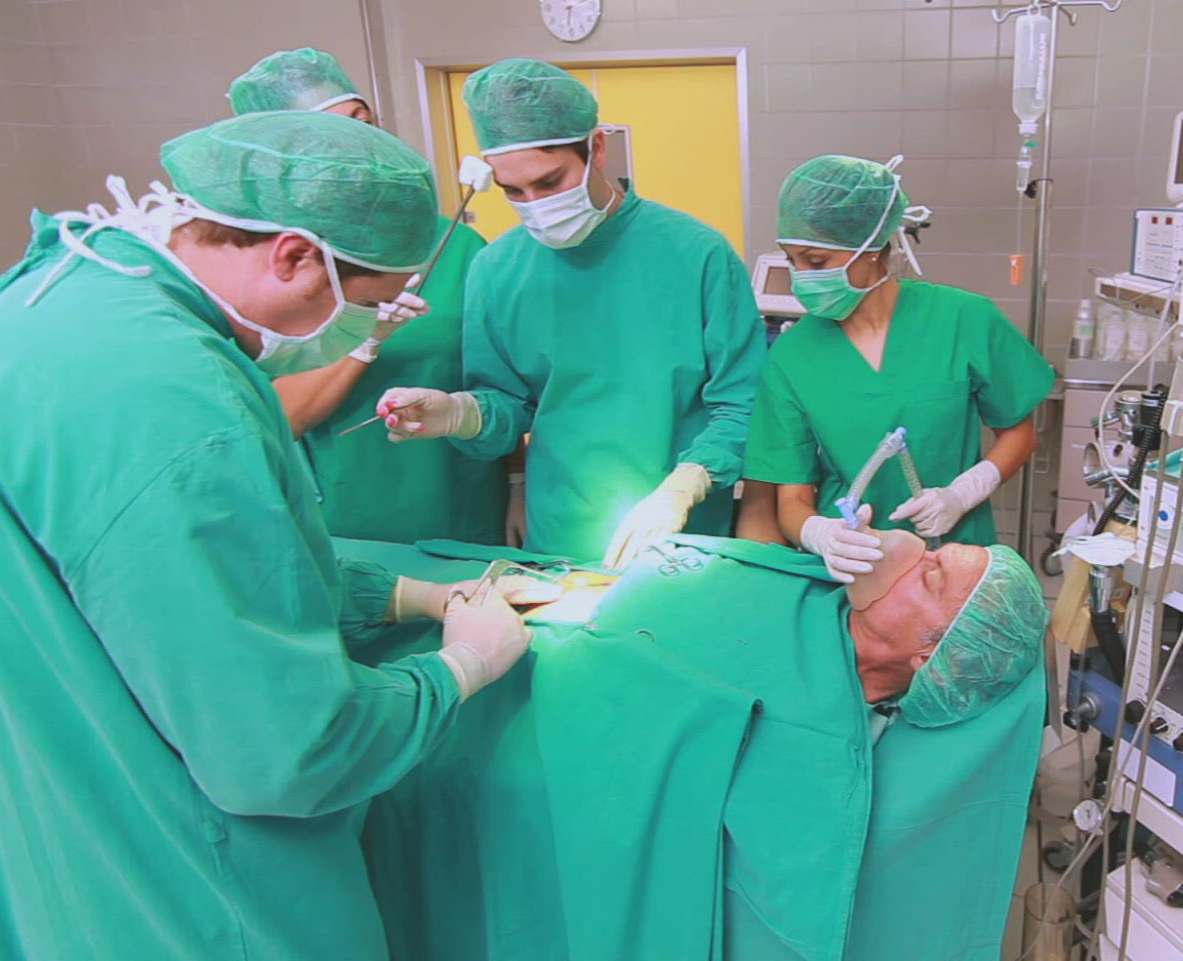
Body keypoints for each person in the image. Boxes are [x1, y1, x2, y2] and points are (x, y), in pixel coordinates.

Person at [0, 111, 531, 959]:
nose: (366, 325)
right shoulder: (176, 399)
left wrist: (404, 594)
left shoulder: (53, 296)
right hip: (174, 889)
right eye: (365, 303)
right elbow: (288, 749)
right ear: (294, 256)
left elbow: (145, 576)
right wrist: (456, 671)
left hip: (22, 830)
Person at [345, 529, 1049, 959]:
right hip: (498, 611)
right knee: (327, 592)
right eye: (931, 551)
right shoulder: (806, 590)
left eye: (931, 574)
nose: (908, 553)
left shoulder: (826, 736)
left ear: (933, 653)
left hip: (488, 716)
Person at [378, 58, 766, 569]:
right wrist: (458, 413)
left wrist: (685, 485)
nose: (534, 204)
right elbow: (508, 402)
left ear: (596, 149)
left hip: (681, 535)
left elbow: (742, 401)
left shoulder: (696, 253)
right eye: (513, 191)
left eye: (550, 181)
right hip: (560, 529)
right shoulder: (498, 267)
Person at [227, 47, 510, 545]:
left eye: (362, 121)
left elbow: (504, 383)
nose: (358, 144)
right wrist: (362, 340)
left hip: (465, 506)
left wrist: (519, 482)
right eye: (328, 136)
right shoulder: (276, 263)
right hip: (343, 519)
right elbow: (277, 418)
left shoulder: (456, 246)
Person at [746, 154, 1057, 581]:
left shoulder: (962, 318)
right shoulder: (791, 355)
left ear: (872, 248)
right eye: (791, 260)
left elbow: (1020, 434)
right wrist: (821, 534)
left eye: (815, 261)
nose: (801, 276)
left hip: (952, 562)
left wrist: (961, 494)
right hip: (854, 570)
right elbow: (791, 500)